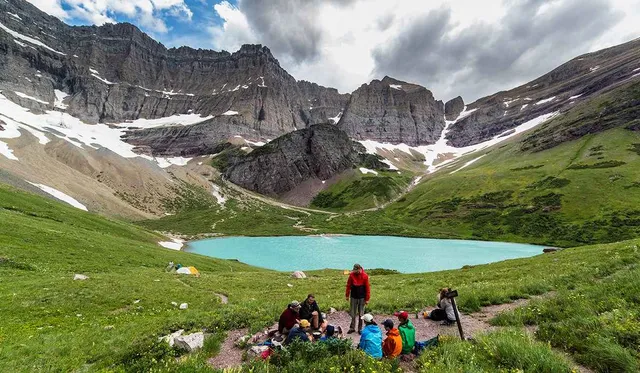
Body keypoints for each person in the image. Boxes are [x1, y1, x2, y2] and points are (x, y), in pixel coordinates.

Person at [345, 263, 371, 334]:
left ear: (359, 269)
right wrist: (347, 295)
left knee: (361, 314)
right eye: (354, 271)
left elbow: (367, 288)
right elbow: (348, 285)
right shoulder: (351, 275)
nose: (355, 272)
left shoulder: (365, 276)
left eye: (356, 271)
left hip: (362, 297)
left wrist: (367, 299)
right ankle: (352, 327)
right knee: (353, 313)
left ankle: (360, 329)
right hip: (353, 296)